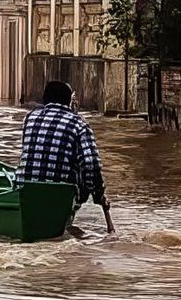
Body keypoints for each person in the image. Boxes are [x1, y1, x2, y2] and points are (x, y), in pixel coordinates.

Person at [18, 81, 114, 234]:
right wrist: (98, 194)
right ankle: (67, 217)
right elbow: (91, 165)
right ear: (69, 101)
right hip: (61, 193)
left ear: (45, 99)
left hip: (25, 189)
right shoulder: (79, 124)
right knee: (83, 173)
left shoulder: (29, 118)